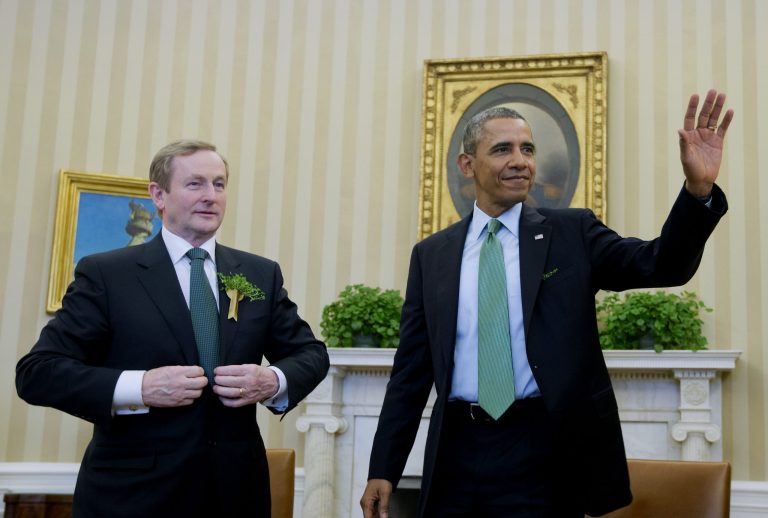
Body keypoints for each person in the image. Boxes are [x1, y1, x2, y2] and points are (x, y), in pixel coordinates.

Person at [361, 90, 733, 517]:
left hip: (544, 450)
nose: (520, 160)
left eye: (528, 149)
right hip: (456, 454)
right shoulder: (432, 255)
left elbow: (660, 265)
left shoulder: (572, 233)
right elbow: (410, 373)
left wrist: (697, 190)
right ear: (467, 165)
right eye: (502, 149)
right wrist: (383, 468)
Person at [16, 140, 330, 517]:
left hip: (235, 494)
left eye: (219, 184)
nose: (211, 196)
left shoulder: (259, 274)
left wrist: (272, 380)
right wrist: (141, 388)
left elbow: (312, 354)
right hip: (133, 497)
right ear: (158, 195)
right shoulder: (106, 274)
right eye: (195, 184)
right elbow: (37, 373)